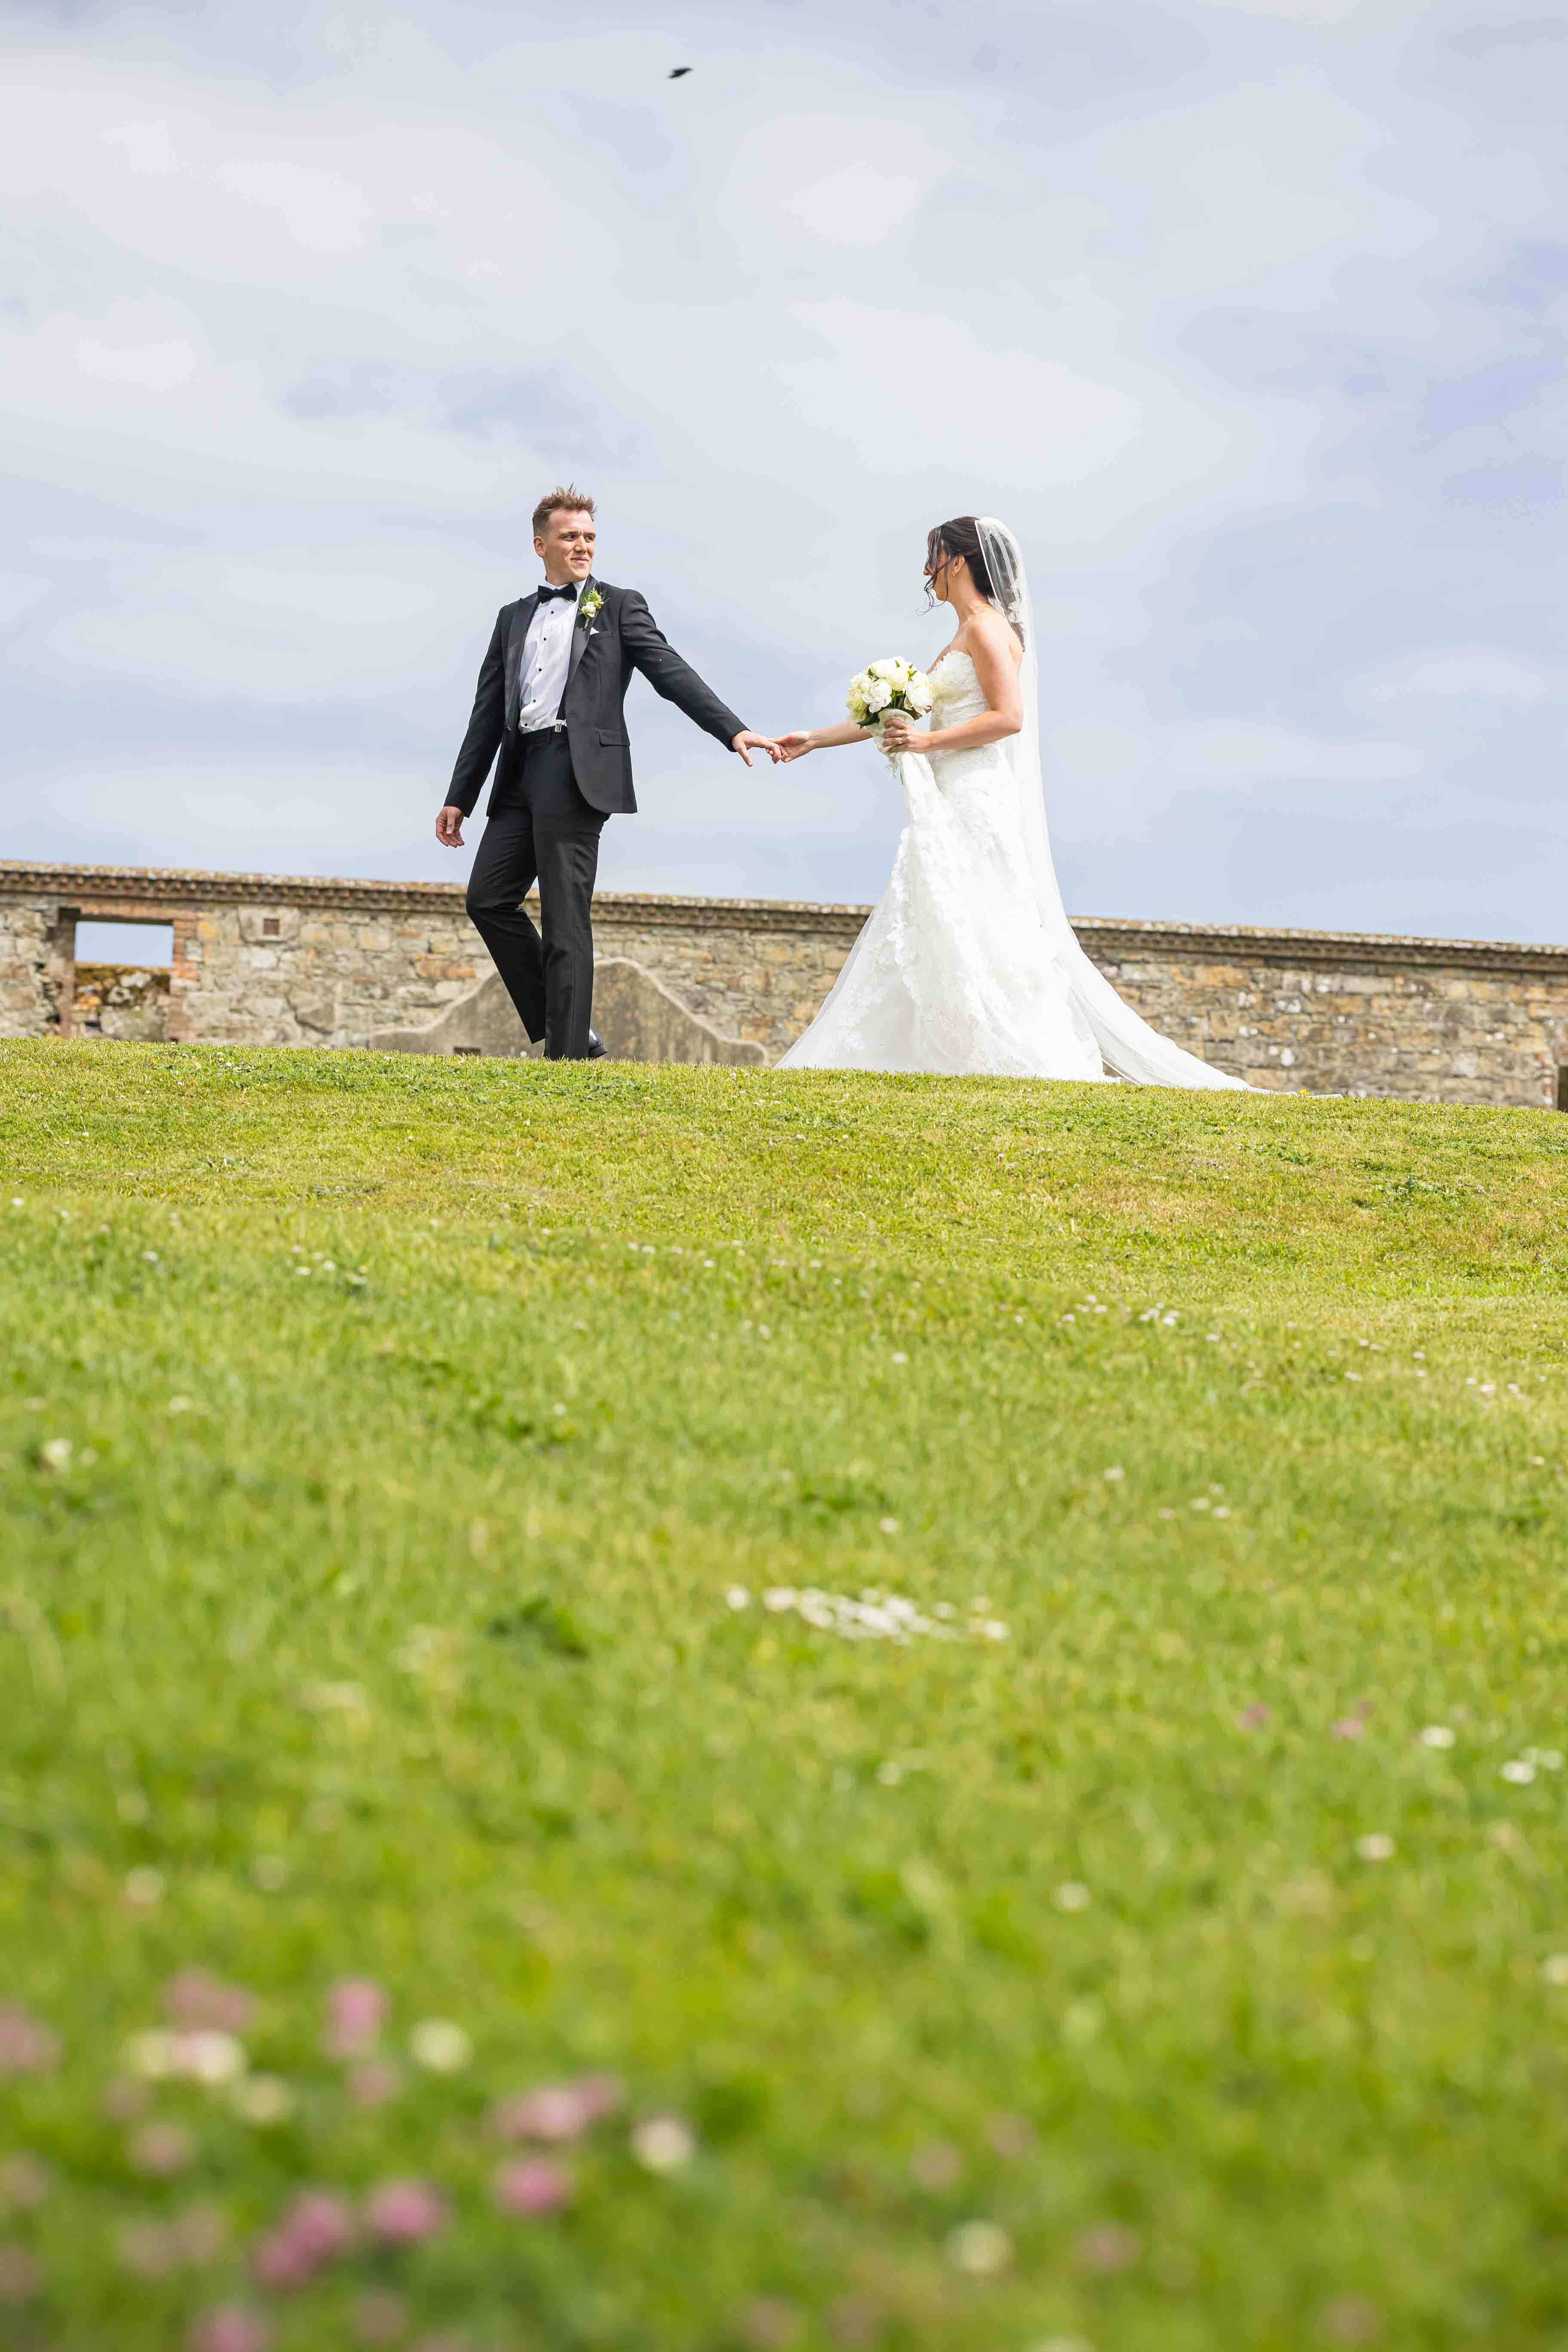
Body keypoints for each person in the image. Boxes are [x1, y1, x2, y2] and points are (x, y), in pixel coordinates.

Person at [775, 515, 1248, 1086]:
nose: (927, 571)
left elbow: (1008, 717)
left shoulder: (986, 629)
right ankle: (933, 1052)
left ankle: (1000, 1049)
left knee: (980, 915)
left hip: (974, 792)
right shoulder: (963, 633)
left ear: (959, 562)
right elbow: (899, 714)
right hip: (949, 793)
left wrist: (926, 743)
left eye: (934, 557)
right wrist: (813, 740)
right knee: (938, 911)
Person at [436, 486, 779, 1060]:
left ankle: (568, 1055)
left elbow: (670, 671)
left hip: (576, 771)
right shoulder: (511, 619)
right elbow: (486, 713)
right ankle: (573, 1028)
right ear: (541, 545)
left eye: (590, 537)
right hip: (519, 772)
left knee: (565, 917)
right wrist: (459, 797)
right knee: (487, 900)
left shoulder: (618, 605)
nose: (582, 546)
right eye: (570, 536)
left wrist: (732, 730)